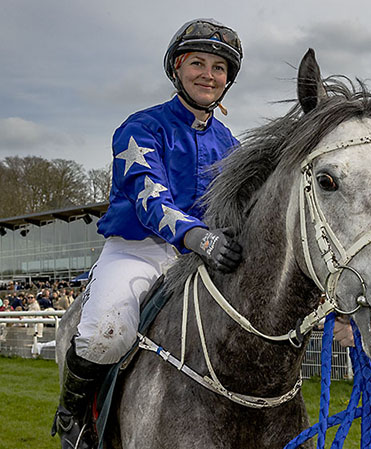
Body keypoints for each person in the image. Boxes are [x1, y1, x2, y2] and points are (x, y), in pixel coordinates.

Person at [52, 19, 245, 449]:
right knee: (107, 331)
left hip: (200, 258)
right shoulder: (141, 127)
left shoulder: (230, 144)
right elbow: (148, 198)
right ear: (177, 68)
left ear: (228, 80)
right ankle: (74, 418)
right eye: (198, 63)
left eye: (218, 68)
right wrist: (200, 238)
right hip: (139, 250)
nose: (208, 75)